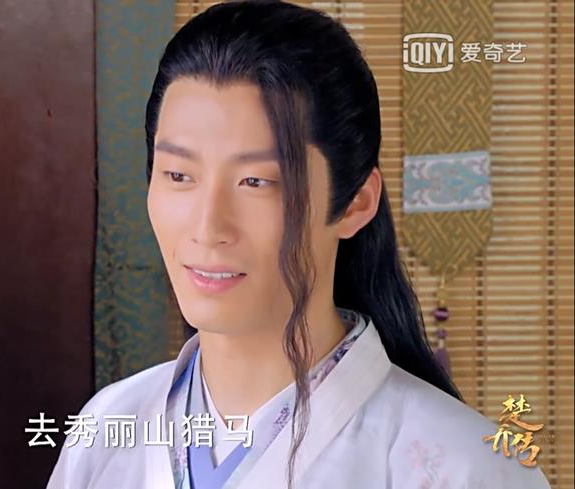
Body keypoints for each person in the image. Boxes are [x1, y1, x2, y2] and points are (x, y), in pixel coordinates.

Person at [48, 1, 552, 487]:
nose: (207, 226)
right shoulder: (106, 430)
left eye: (256, 182)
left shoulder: (465, 468)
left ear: (354, 203)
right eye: (179, 175)